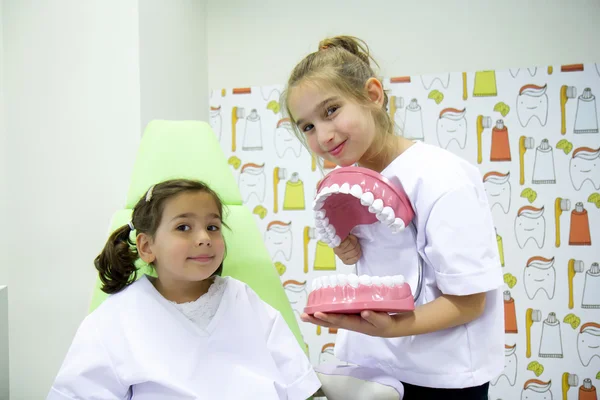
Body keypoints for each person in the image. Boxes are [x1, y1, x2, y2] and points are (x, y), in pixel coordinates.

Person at [283, 36, 504, 400]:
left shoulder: (441, 177)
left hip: (439, 377)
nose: (322, 135)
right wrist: (350, 248)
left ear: (372, 95)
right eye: (306, 126)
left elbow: (469, 301)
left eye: (331, 110)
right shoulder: (354, 180)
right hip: (376, 369)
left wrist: (390, 329)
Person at [47, 179, 321, 400]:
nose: (204, 238)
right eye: (183, 227)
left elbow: (300, 383)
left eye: (212, 227)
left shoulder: (243, 299)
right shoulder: (115, 319)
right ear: (146, 246)